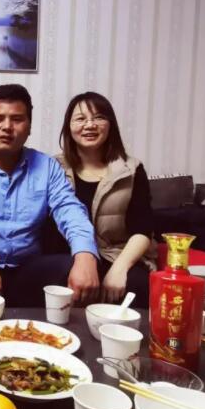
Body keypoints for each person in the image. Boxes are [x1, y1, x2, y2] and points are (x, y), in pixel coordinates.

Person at [0, 83, 100, 306]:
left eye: (17, 119)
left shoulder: (47, 166)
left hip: (28, 268)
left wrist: (85, 255)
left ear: (29, 127)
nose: (7, 127)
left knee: (75, 268)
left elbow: (70, 210)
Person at [54, 91, 156, 305]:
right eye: (80, 118)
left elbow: (143, 229)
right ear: (68, 126)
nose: (90, 125)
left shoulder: (131, 169)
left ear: (111, 125)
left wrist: (119, 269)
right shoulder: (53, 167)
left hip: (115, 255)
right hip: (67, 256)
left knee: (137, 284)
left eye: (99, 117)